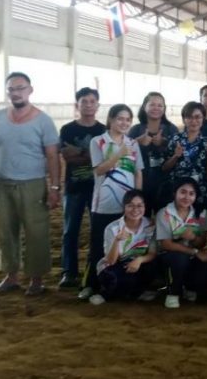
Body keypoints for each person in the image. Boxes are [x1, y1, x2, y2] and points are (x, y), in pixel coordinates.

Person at [0, 72, 61, 296]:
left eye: (20, 88)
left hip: (33, 184)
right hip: (2, 184)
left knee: (36, 231)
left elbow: (52, 156)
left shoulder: (43, 121)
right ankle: (11, 276)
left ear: (30, 90)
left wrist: (54, 187)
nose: (16, 93)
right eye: (11, 89)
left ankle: (36, 279)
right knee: (6, 231)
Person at [80, 104, 145, 301]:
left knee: (122, 246)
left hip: (127, 207)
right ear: (110, 119)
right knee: (98, 247)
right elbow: (99, 170)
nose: (124, 123)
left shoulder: (133, 143)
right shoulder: (98, 141)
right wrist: (118, 154)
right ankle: (90, 285)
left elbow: (138, 172)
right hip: (104, 204)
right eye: (120, 119)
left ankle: (113, 283)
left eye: (128, 120)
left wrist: (138, 199)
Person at [58, 87, 105, 288]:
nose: (88, 105)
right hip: (74, 187)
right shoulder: (67, 129)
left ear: (97, 105)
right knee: (70, 230)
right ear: (77, 105)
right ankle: (69, 272)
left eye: (92, 101)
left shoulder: (103, 130)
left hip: (98, 188)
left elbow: (102, 158)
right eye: (84, 101)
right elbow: (67, 156)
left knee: (97, 230)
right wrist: (91, 154)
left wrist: (78, 151)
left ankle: (94, 268)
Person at [89, 189, 157, 306]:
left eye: (139, 206)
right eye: (130, 206)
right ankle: (105, 294)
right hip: (114, 266)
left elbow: (152, 253)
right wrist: (117, 240)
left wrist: (139, 260)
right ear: (124, 207)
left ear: (145, 207)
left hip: (136, 264)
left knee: (152, 268)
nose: (135, 210)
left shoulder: (150, 225)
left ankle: (136, 292)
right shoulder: (113, 228)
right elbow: (111, 261)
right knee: (117, 279)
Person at [157, 178, 207, 309]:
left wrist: (193, 238)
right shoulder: (164, 213)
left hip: (191, 255)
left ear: (196, 196)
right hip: (168, 257)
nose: (187, 197)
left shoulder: (201, 214)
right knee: (180, 258)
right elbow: (166, 244)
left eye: (191, 193)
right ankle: (173, 292)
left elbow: (201, 243)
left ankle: (189, 287)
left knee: (206, 264)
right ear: (174, 193)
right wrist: (194, 252)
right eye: (183, 192)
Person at [128, 92, 178, 216]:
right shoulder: (135, 130)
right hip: (141, 184)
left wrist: (164, 142)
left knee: (165, 220)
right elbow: (123, 154)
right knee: (141, 219)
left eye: (160, 105)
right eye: (152, 104)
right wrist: (137, 142)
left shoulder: (171, 129)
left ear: (164, 109)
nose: (156, 108)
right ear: (144, 107)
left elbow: (179, 153)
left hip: (166, 185)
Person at [162, 101, 207, 214]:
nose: (193, 121)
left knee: (200, 223)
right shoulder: (175, 139)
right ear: (183, 119)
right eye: (189, 117)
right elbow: (164, 168)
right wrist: (175, 156)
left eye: (197, 117)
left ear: (203, 119)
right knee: (176, 223)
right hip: (177, 193)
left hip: (201, 192)